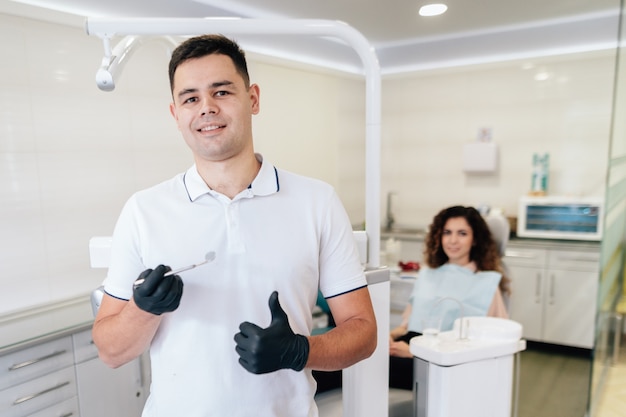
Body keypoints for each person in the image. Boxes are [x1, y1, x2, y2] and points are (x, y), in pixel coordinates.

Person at [92, 34, 377, 417]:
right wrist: (143, 310)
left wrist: (300, 351)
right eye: (190, 98)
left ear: (253, 98)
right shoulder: (144, 211)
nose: (206, 108)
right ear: (176, 113)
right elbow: (110, 351)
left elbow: (363, 331)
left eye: (222, 92)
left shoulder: (316, 201)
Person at [388, 205, 510, 390]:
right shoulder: (428, 274)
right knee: (360, 361)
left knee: (365, 370)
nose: (453, 240)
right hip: (409, 346)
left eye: (462, 233)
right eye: (447, 232)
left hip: (443, 362)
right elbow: (406, 326)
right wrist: (388, 337)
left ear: (475, 239)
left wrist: (415, 353)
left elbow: (488, 345)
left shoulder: (486, 284)